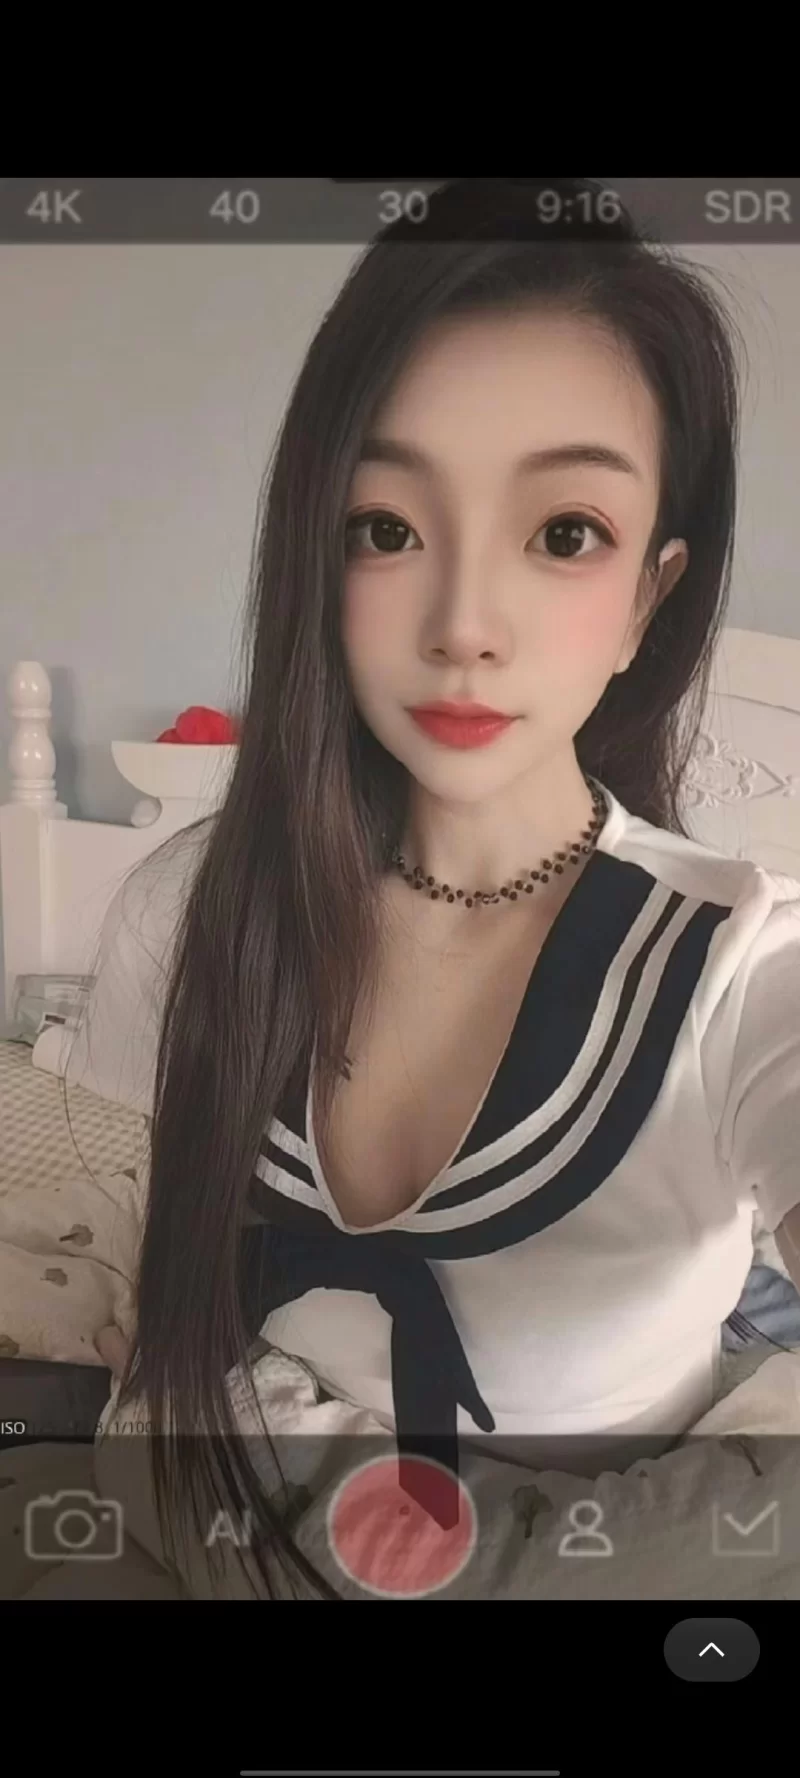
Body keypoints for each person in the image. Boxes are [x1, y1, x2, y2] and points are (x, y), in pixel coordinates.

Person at [9, 176, 800, 1602]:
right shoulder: (191, 912)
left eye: (565, 532)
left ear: (651, 594)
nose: (463, 627)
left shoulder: (740, 966)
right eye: (386, 527)